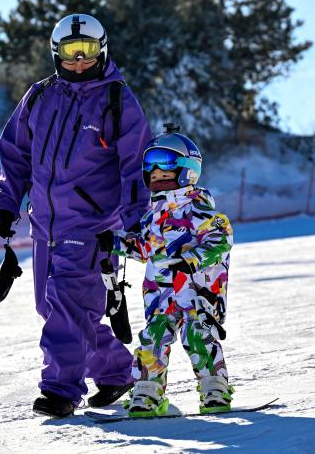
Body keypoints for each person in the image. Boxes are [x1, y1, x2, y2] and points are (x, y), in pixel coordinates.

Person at [0, 13, 152, 418]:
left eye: (87, 53)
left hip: (93, 225)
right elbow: (15, 154)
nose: (79, 62)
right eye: (69, 53)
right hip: (44, 224)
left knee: (67, 303)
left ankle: (61, 389)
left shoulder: (118, 100)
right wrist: (8, 203)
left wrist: (137, 221)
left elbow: (135, 165)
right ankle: (118, 371)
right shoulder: (40, 96)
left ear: (102, 50)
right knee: (52, 308)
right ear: (55, 53)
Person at [98, 127, 234, 417]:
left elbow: (221, 239)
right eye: (153, 175)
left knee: (198, 336)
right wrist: (116, 242)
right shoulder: (152, 216)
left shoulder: (200, 211)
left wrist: (192, 260)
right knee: (152, 339)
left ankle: (214, 388)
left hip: (197, 294)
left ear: (187, 173)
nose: (158, 178)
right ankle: (148, 391)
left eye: (166, 174)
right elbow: (145, 248)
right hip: (160, 296)